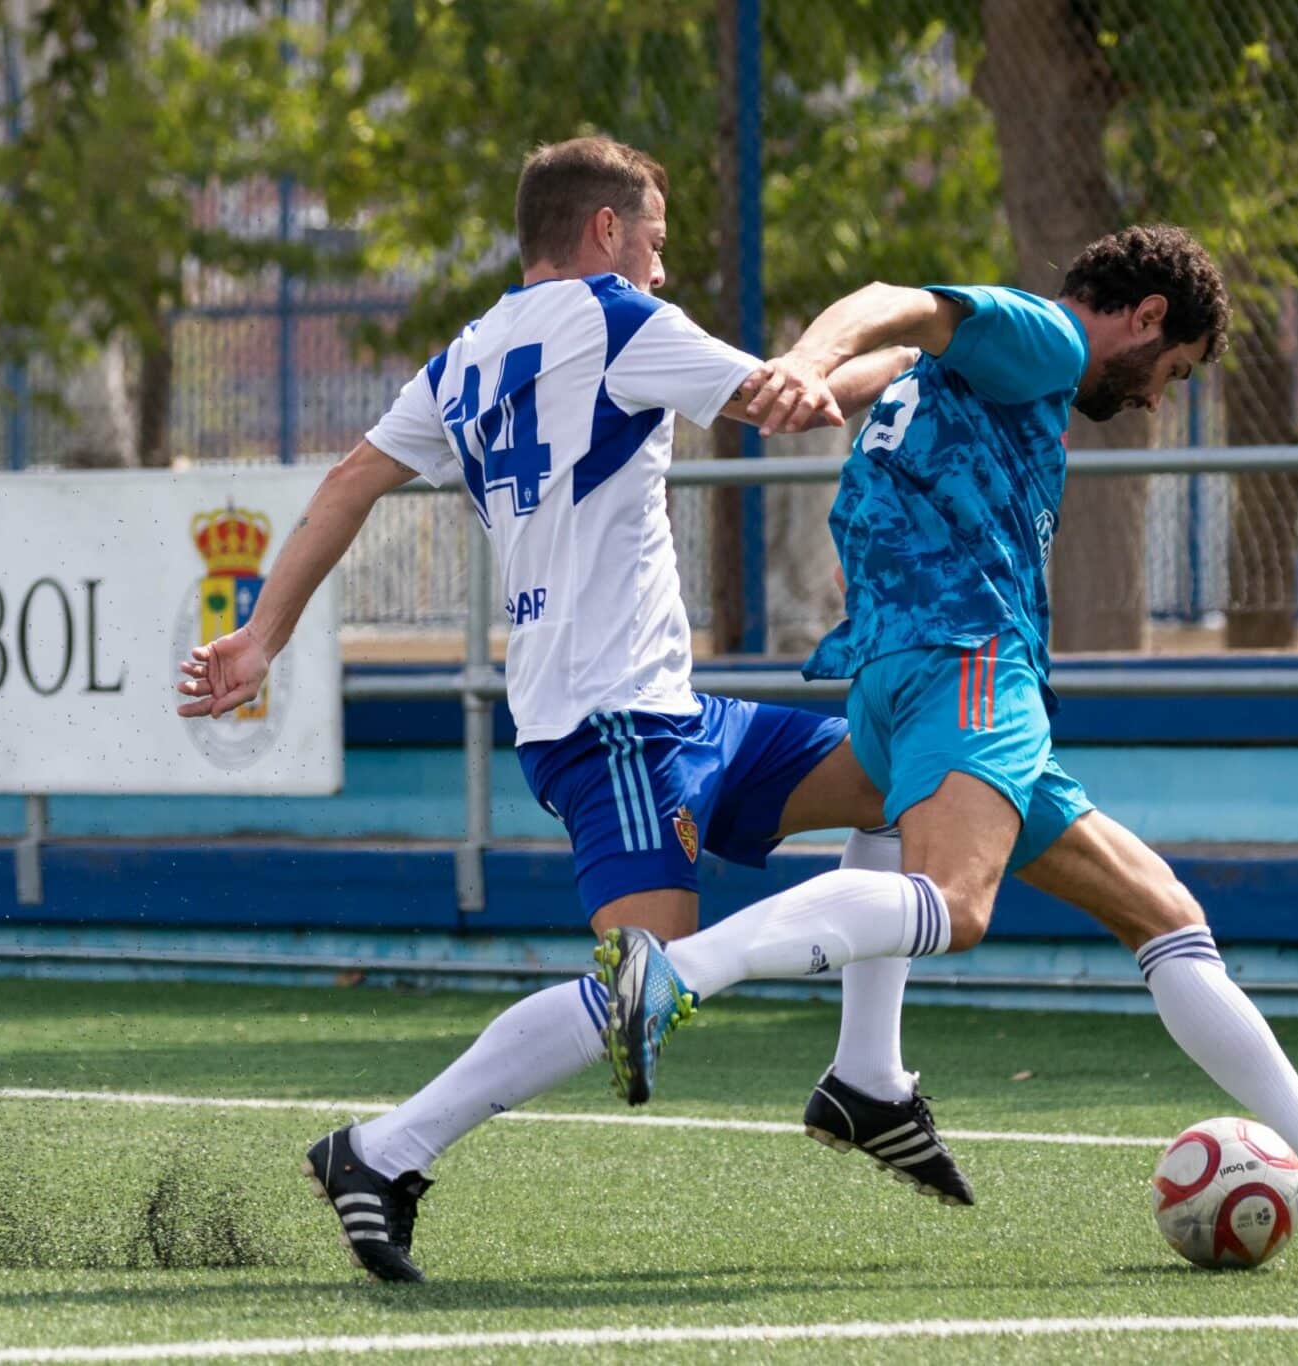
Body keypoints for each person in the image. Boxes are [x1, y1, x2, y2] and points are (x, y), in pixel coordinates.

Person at [175, 136, 969, 1284]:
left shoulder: (463, 355)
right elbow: (779, 405)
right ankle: (381, 1149)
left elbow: (349, 483)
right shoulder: (616, 318)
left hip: (658, 708)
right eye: (651, 238)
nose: (660, 262)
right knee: (646, 980)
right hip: (614, 721)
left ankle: (867, 1073)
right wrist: (915, 352)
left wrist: (261, 635)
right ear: (603, 232)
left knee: (899, 770)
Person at [606, 225, 1298, 1251]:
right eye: (1170, 369)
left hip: (900, 670)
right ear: (1143, 316)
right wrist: (803, 361)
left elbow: (902, 354)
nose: (1154, 396)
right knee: (954, 905)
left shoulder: (994, 369)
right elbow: (896, 294)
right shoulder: (1049, 338)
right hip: (965, 658)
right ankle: (678, 972)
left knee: (1162, 914)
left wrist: (827, 378)